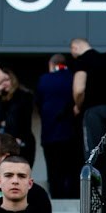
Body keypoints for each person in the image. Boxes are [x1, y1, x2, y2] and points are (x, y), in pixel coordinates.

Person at [36, 54, 78, 199]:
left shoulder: (44, 79)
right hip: (71, 131)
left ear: (51, 64)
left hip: (50, 131)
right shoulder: (73, 77)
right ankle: (72, 195)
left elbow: (39, 103)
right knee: (71, 167)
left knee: (53, 168)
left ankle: (56, 195)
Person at [70, 38, 106, 161]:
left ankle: (93, 179)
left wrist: (78, 105)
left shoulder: (82, 60)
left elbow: (79, 89)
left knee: (93, 153)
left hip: (93, 111)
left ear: (74, 48)